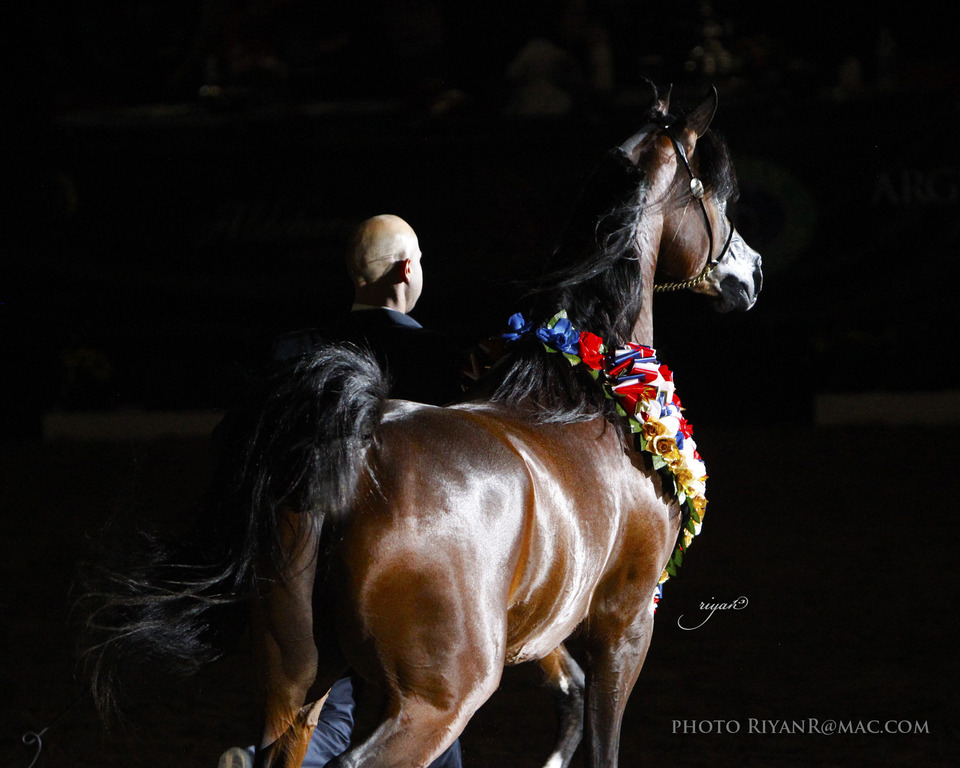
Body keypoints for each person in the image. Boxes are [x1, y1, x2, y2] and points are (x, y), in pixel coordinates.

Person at [219, 214, 463, 768]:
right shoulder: (439, 359)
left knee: (316, 718)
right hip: (402, 568)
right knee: (430, 718)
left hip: (297, 554)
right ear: (407, 269)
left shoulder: (294, 350)